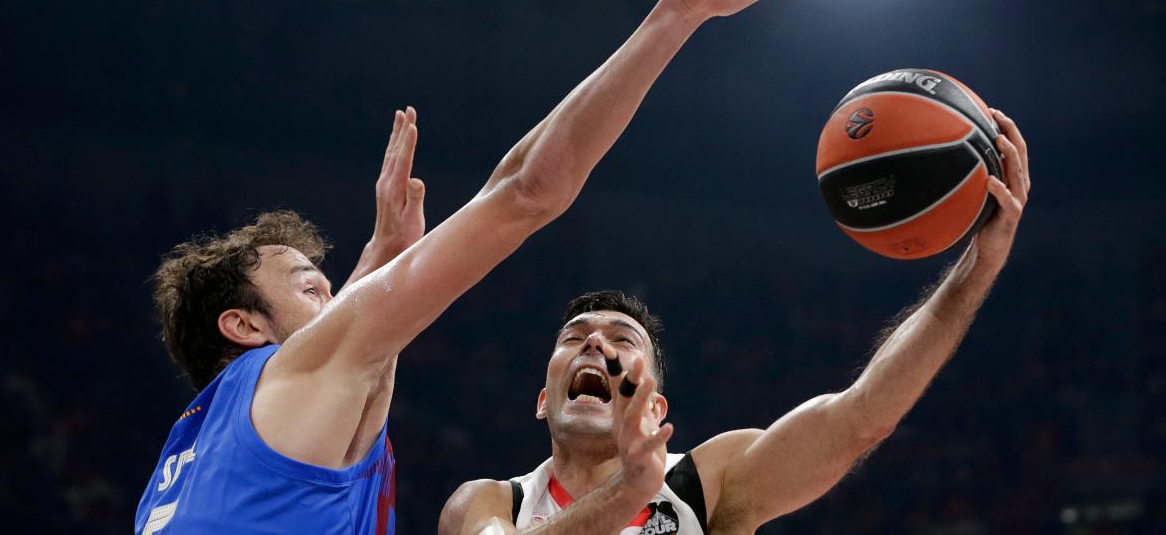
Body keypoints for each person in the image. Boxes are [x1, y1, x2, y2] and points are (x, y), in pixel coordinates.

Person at [134, 0, 818, 532]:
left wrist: (382, 256)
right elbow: (527, 189)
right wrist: (685, 6)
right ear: (245, 326)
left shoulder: (181, 462)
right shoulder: (307, 368)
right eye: (314, 288)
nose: (342, 301)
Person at [438, 105, 1031, 535]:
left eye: (622, 339)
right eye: (575, 338)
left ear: (654, 409)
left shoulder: (711, 483)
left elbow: (863, 414)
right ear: (542, 398)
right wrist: (628, 492)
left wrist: (978, 270)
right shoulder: (488, 504)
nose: (595, 342)